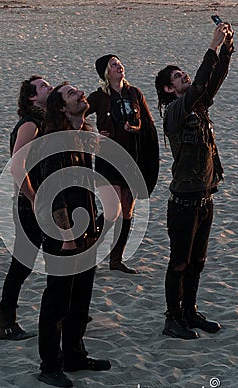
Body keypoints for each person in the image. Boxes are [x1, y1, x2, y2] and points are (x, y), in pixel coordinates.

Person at [154, 21, 234, 339]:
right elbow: (201, 84)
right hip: (184, 201)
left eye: (182, 72)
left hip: (205, 197)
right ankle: (172, 318)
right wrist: (211, 46)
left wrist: (226, 47)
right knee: (179, 263)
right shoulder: (174, 111)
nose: (184, 75)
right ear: (168, 89)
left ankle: (190, 311)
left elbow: (212, 82)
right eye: (177, 76)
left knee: (197, 262)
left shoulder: (198, 108)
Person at [36, 83, 111, 388]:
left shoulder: (81, 138)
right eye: (71, 93)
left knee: (80, 299)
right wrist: (66, 234)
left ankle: (75, 355)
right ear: (61, 108)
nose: (80, 93)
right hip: (63, 235)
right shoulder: (54, 140)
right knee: (57, 301)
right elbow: (53, 190)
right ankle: (50, 365)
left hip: (86, 230)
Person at [86, 54, 159, 274]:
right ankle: (87, 248)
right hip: (108, 158)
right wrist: (91, 135)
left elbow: (148, 123)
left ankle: (116, 260)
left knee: (127, 210)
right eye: (114, 64)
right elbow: (77, 114)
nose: (119, 66)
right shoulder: (98, 97)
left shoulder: (134, 93)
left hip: (132, 159)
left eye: (119, 63)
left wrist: (136, 130)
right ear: (106, 72)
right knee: (113, 209)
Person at [0, 75, 53, 340]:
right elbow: (17, 164)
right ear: (31, 97)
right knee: (23, 264)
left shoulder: (48, 121)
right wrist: (33, 199)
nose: (49, 87)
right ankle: (6, 321)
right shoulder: (31, 124)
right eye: (43, 86)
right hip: (32, 204)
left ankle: (63, 312)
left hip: (51, 202)